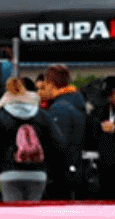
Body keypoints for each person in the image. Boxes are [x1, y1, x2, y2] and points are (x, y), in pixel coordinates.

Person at [0, 78, 59, 203]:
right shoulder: (42, 114)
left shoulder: (0, 115)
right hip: (38, 173)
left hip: (9, 173)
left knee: (14, 215)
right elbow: (57, 142)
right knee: (34, 215)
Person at [38, 65, 87, 200]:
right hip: (73, 170)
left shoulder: (59, 109)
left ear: (51, 84)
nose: (41, 91)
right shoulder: (75, 103)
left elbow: (58, 143)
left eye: (44, 86)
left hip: (59, 175)